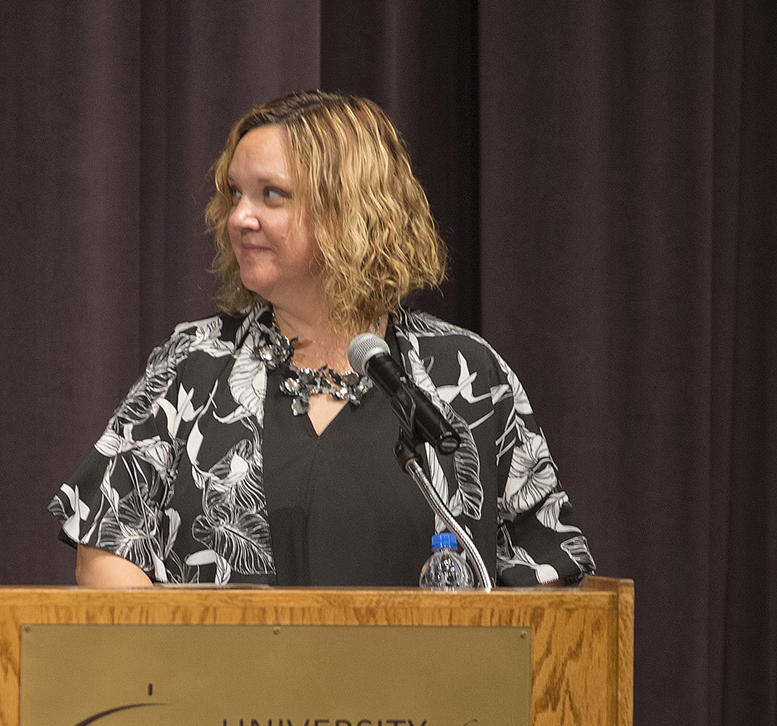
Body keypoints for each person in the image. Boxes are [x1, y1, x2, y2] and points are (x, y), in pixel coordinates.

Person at [49, 90, 596, 588]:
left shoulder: (464, 374)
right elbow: (105, 547)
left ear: (348, 212)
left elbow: (548, 573)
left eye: (272, 195)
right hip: (223, 695)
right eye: (235, 193)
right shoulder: (196, 362)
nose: (240, 216)